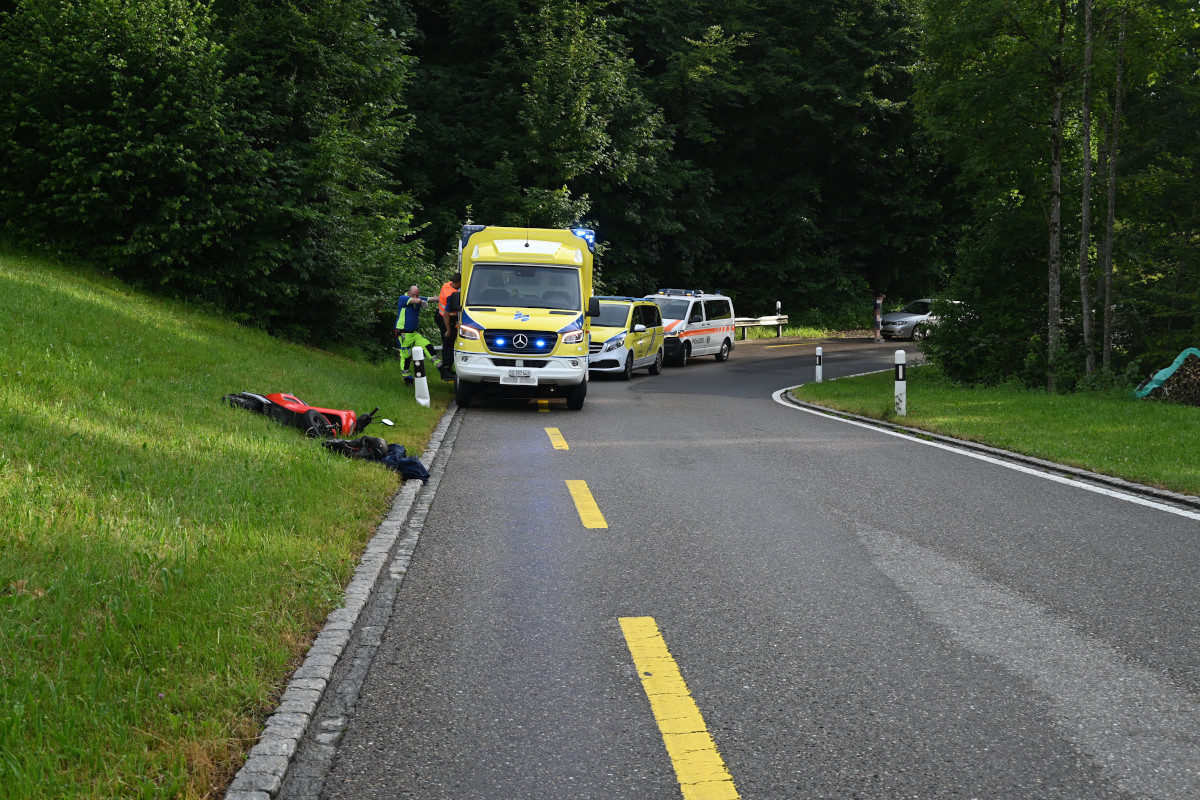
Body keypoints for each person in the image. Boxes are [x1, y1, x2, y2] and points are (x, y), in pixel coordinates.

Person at [395, 285, 433, 385]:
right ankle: (407, 378)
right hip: (403, 333)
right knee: (406, 356)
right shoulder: (403, 298)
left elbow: (432, 299)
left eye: (417, 295)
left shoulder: (418, 298)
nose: (415, 296)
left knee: (427, 345)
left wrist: (444, 296)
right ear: (409, 293)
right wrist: (420, 301)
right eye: (413, 295)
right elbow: (416, 300)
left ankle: (441, 367)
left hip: (413, 333)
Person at [436, 273, 462, 375]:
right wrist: (448, 330)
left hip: (439, 315)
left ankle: (446, 367)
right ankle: (446, 369)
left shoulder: (447, 285)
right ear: (459, 282)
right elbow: (446, 314)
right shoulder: (452, 295)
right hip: (446, 320)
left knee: (447, 344)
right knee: (449, 344)